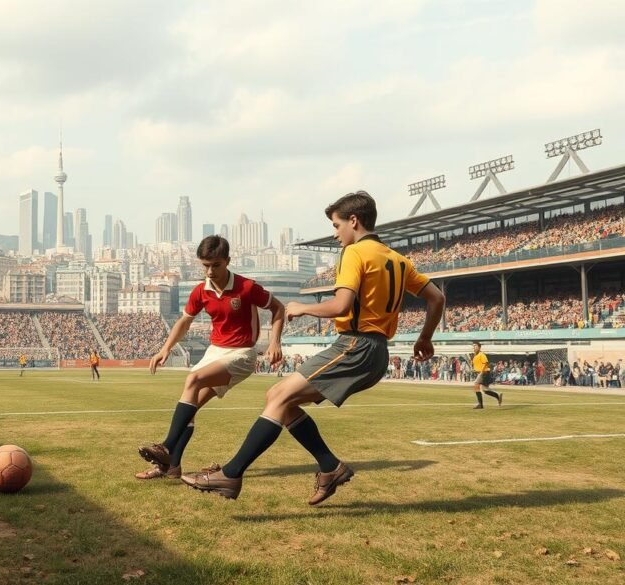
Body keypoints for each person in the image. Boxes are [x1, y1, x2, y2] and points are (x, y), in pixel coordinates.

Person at [181, 191, 445, 502]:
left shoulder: (355, 254)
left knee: (278, 396)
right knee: (281, 399)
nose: (335, 234)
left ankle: (231, 474)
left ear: (354, 221)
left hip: (356, 345)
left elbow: (341, 304)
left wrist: (302, 308)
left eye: (336, 225)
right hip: (375, 350)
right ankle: (330, 466)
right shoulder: (399, 260)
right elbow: (437, 298)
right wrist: (424, 337)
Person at [136, 235, 285, 480]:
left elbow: (278, 308)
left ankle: (166, 448)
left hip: (242, 354)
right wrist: (165, 349)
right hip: (214, 352)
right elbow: (184, 321)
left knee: (193, 380)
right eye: (205, 265)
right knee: (190, 409)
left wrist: (275, 341)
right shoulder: (200, 291)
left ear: (227, 261)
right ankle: (171, 467)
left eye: (215, 265)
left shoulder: (247, 287)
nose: (210, 270)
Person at [470, 342, 502, 409]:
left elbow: (486, 363)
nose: (474, 347)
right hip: (482, 373)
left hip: (484, 373)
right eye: (473, 346)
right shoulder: (475, 356)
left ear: (479, 347)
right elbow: (478, 365)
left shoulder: (482, 354)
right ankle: (497, 396)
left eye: (475, 346)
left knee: (476, 385)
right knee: (485, 390)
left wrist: (481, 372)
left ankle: (480, 405)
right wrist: (474, 370)